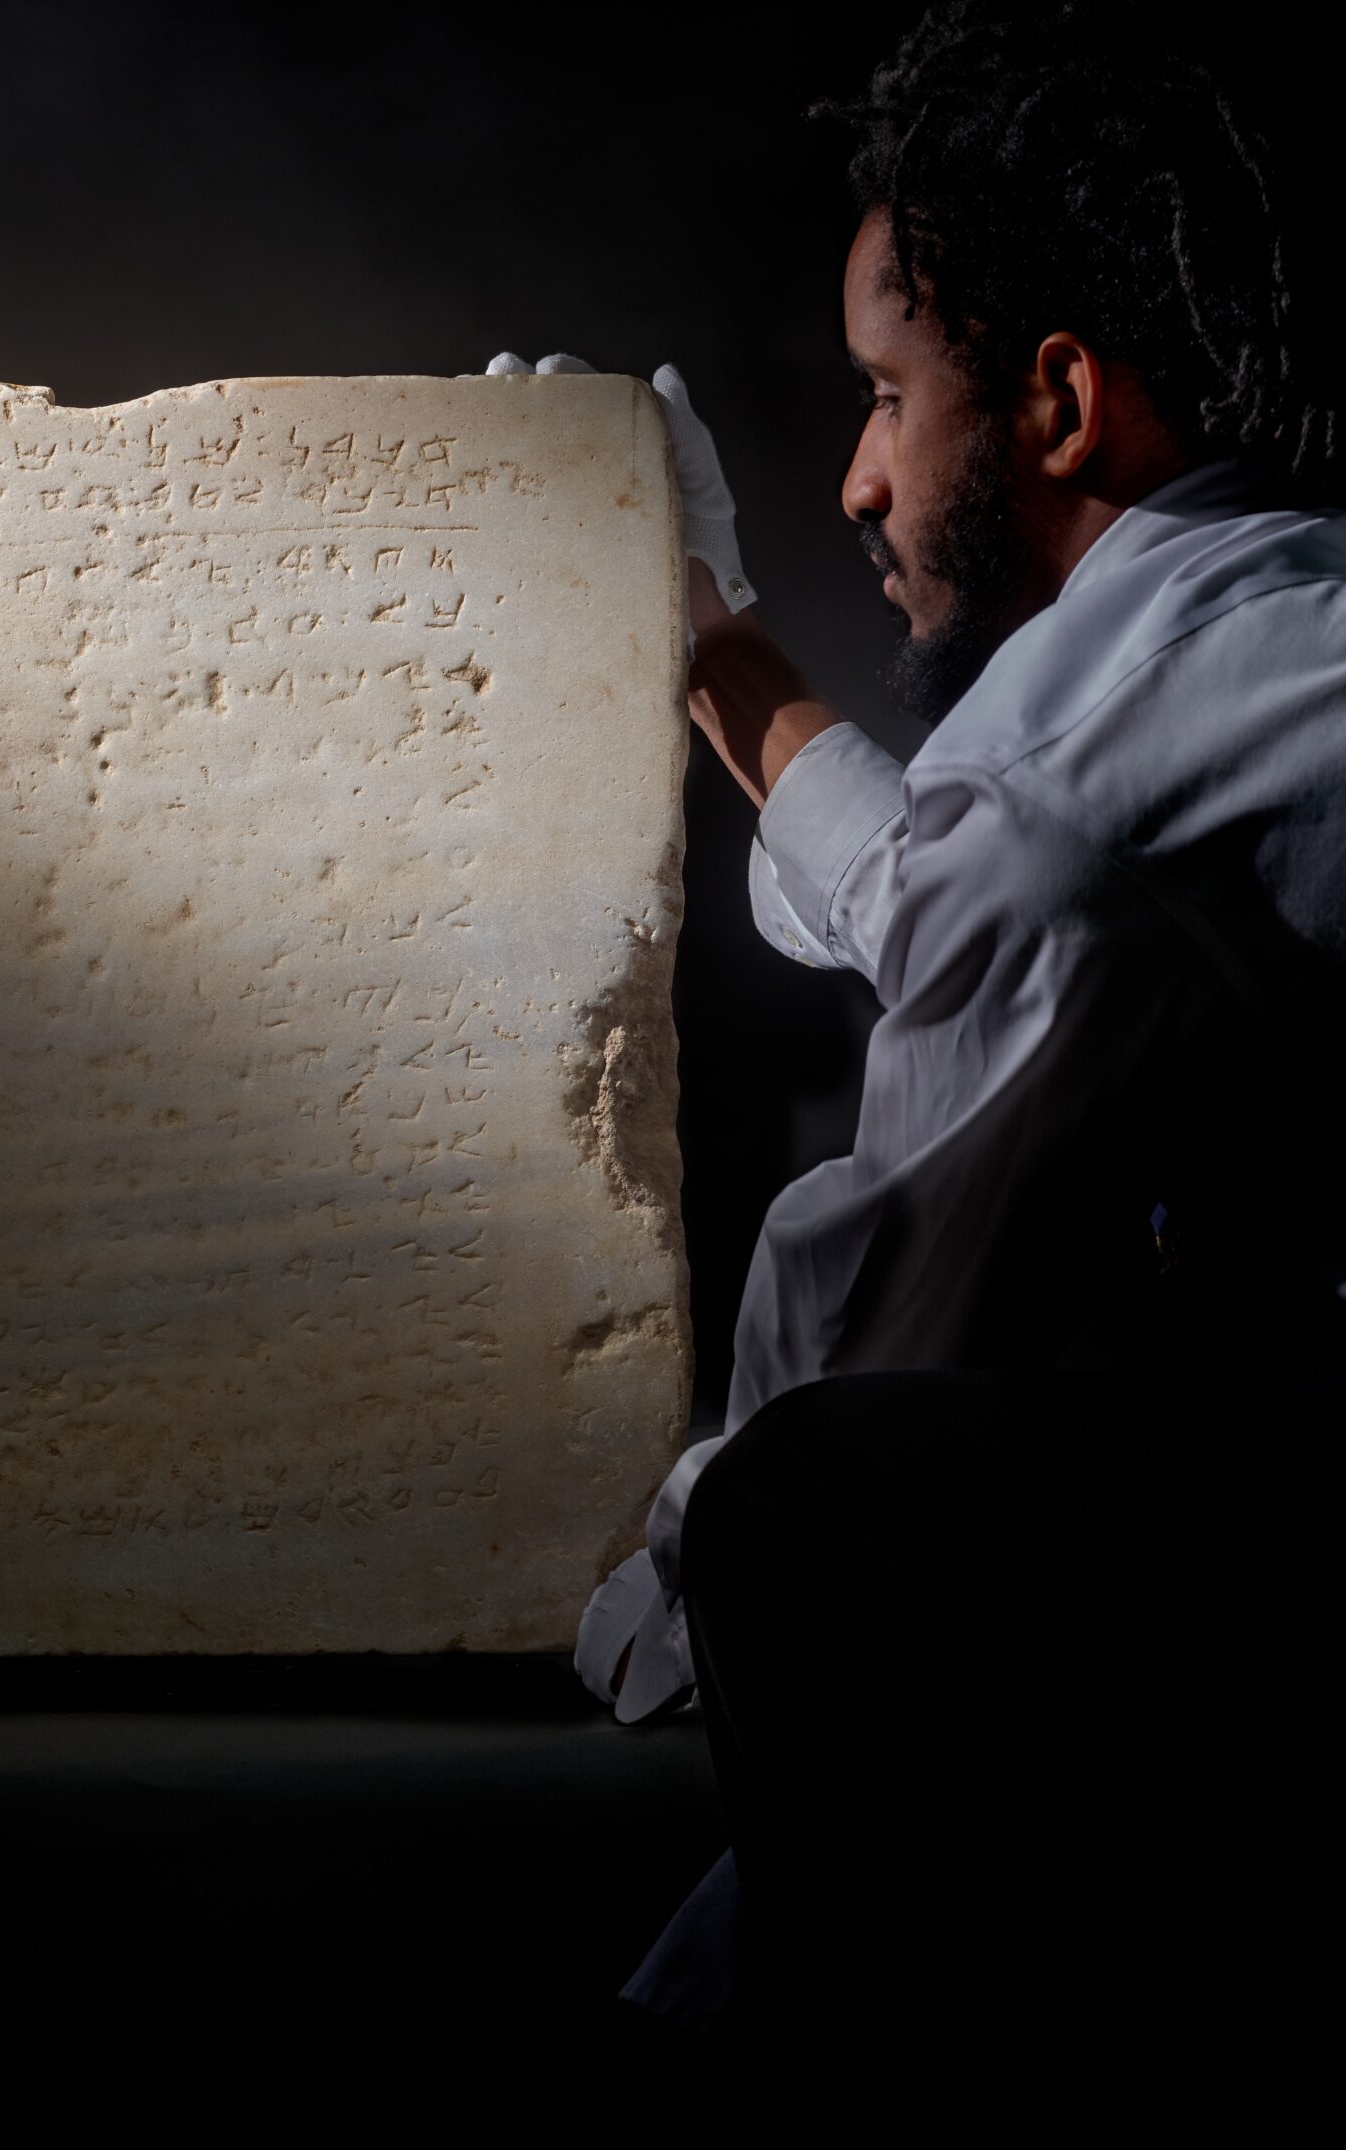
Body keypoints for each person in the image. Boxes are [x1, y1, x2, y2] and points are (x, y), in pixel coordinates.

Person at [557, 2, 1342, 2092]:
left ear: (1058, 402)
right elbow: (913, 883)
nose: (855, 475)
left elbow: (960, 898)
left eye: (885, 397)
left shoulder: (1192, 722)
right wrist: (718, 652)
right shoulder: (1191, 655)